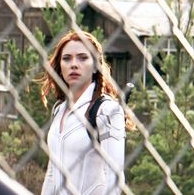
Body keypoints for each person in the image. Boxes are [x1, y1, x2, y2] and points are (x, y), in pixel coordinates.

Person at [40, 30, 135, 195]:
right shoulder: (59, 109)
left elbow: (114, 178)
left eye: (83, 58)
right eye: (67, 58)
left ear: (95, 66)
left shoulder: (105, 110)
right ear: (59, 66)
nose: (74, 64)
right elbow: (51, 173)